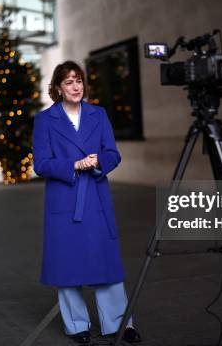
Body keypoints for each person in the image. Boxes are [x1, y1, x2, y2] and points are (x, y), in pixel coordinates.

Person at [32, 61, 142, 344]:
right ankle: (77, 325)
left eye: (78, 80)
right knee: (67, 265)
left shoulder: (98, 113)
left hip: (95, 195)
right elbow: (41, 164)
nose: (75, 86)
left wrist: (98, 163)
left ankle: (119, 324)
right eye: (68, 82)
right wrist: (74, 163)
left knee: (105, 260)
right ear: (58, 88)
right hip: (64, 198)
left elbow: (113, 153)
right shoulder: (45, 120)